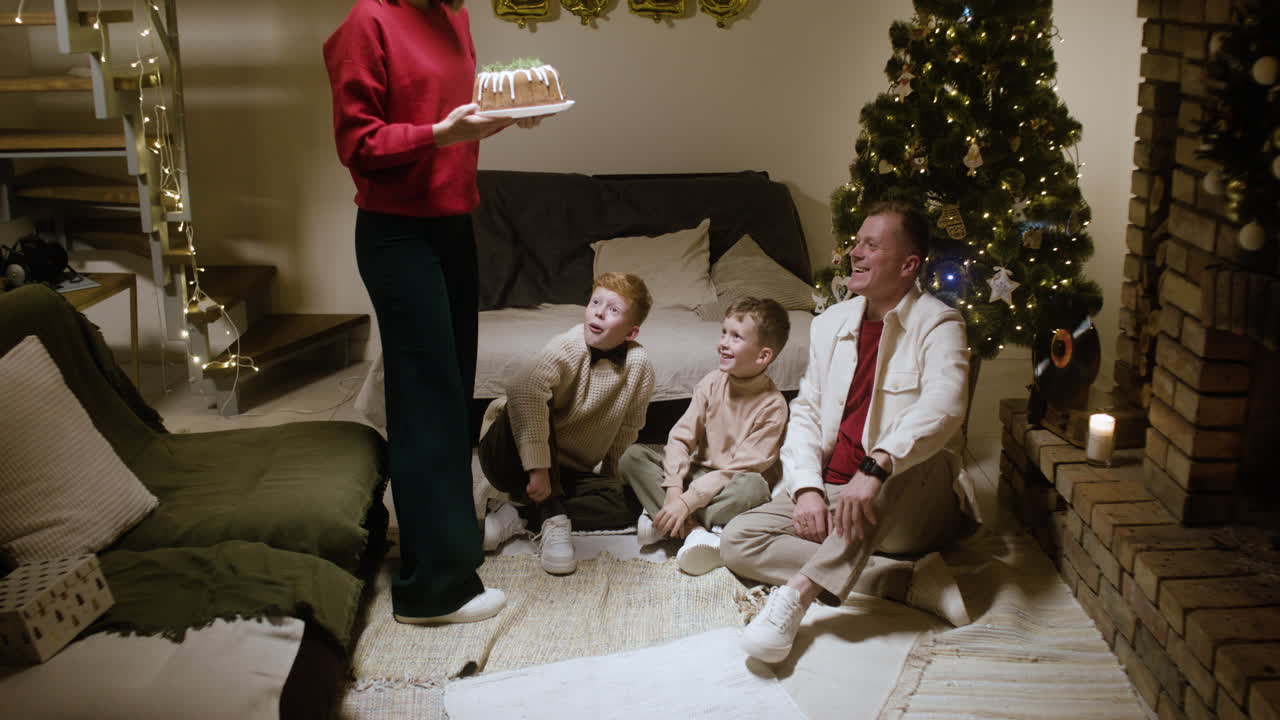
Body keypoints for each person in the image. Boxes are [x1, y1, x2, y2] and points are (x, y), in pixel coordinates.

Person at [323, 0, 541, 625]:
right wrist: (442, 134)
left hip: (452, 227)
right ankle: (429, 593)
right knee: (423, 407)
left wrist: (494, 121)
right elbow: (357, 142)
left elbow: (450, 119)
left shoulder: (453, 14)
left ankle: (448, 550)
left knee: (450, 402)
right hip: (397, 234)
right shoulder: (368, 20)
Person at [724, 200, 978, 663]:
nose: (854, 253)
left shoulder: (940, 324)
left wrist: (876, 466)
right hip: (842, 494)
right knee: (738, 540)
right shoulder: (830, 325)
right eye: (856, 242)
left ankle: (798, 595)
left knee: (913, 457)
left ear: (908, 265)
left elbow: (946, 405)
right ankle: (900, 581)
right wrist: (806, 490)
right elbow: (806, 413)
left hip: (906, 502)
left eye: (870, 245)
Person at [478, 272, 657, 575]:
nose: (598, 312)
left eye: (613, 310)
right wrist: (539, 470)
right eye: (595, 302)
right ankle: (551, 515)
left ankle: (519, 514)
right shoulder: (571, 344)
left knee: (630, 501)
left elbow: (627, 429)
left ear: (631, 332)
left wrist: (609, 482)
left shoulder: (640, 366)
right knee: (537, 393)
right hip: (510, 451)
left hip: (568, 471)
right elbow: (523, 387)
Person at [617, 297, 791, 576]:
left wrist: (687, 502)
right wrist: (675, 489)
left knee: (755, 489)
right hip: (696, 477)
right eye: (724, 332)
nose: (723, 342)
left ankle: (664, 521)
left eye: (736, 337)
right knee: (632, 456)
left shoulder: (773, 406)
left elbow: (741, 469)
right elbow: (680, 438)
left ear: (763, 356)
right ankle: (695, 530)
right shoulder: (711, 382)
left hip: (731, 485)